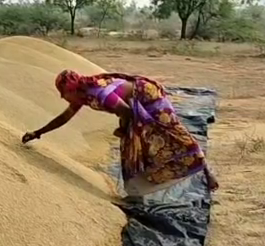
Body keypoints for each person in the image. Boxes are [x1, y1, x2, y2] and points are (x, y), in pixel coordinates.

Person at [22, 69, 219, 196]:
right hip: (131, 107)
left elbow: (125, 111)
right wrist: (38, 132)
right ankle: (139, 189)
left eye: (64, 93)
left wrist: (123, 129)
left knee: (169, 133)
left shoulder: (99, 94)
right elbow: (63, 118)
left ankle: (203, 168)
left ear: (72, 90)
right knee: (132, 148)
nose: (63, 98)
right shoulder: (81, 97)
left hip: (148, 97)